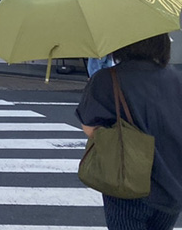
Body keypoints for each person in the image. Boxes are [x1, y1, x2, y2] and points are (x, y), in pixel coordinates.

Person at [77, 34, 182, 230]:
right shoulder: (176, 78)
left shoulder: (107, 79)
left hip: (127, 182)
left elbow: (90, 128)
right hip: (173, 185)